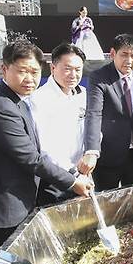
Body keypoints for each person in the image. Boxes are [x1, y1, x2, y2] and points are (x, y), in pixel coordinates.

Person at [0, 40, 92, 252]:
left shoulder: (17, 100)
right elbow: (31, 158)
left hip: (22, 200)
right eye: (22, 71)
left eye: (34, 72)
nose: (29, 79)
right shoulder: (1, 107)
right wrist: (73, 182)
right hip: (5, 209)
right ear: (4, 68)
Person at [80, 34, 133, 190]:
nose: (129, 61)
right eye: (124, 55)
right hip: (109, 153)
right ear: (112, 54)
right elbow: (93, 113)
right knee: (108, 201)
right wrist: (91, 150)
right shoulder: (99, 77)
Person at [30, 43, 89, 205]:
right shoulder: (39, 99)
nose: (73, 74)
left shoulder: (82, 94)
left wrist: (90, 156)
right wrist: (73, 174)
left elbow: (91, 129)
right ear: (53, 67)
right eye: (67, 68)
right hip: (55, 180)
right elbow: (46, 148)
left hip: (83, 175)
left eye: (78, 70)